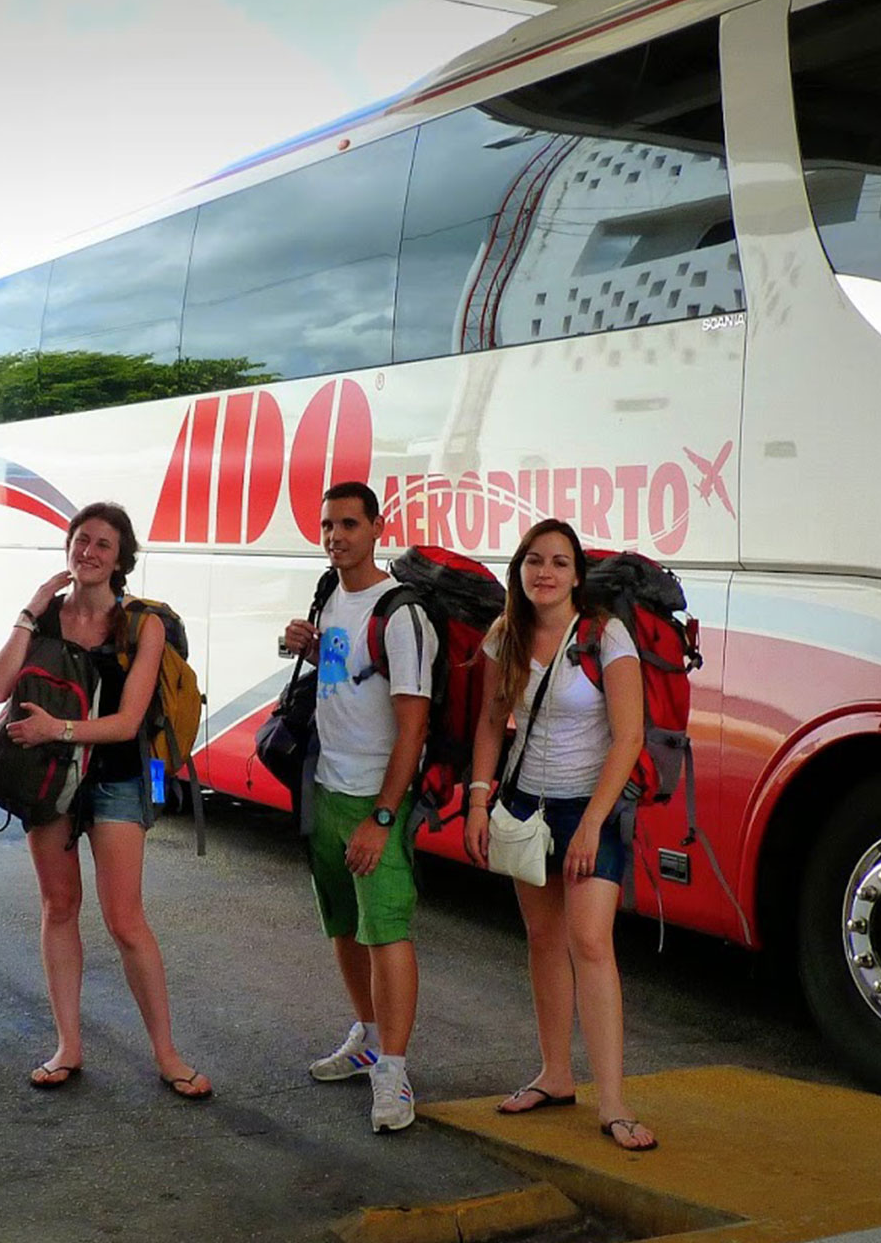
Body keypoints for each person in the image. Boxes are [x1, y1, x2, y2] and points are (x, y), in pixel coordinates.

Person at [0, 502, 211, 1100]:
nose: (87, 552)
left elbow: (126, 720)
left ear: (121, 560)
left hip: (113, 776)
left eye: (102, 545)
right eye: (80, 540)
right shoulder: (47, 617)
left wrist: (54, 730)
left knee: (125, 919)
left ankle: (167, 1054)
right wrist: (32, 609)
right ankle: (68, 1045)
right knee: (59, 905)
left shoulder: (143, 625)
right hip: (48, 778)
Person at [464, 518, 658, 1151]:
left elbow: (628, 736)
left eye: (559, 562)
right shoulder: (506, 635)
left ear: (577, 575)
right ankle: (555, 1074)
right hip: (525, 804)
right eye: (533, 561)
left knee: (590, 943)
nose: (544, 573)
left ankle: (615, 1103)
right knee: (544, 939)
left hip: (589, 808)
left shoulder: (607, 636)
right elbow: (493, 724)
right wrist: (477, 799)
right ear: (519, 570)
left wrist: (593, 824)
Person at [279, 481, 435, 1133]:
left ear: (377, 527)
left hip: (375, 800)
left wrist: (382, 817)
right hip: (327, 789)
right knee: (343, 924)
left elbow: (414, 725)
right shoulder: (330, 594)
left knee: (386, 932)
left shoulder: (401, 613)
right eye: (326, 525)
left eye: (348, 523)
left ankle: (393, 1074)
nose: (336, 535)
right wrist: (312, 649)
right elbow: (347, 676)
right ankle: (369, 1038)